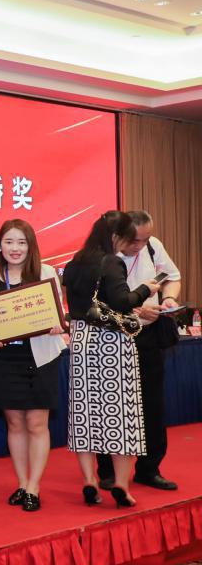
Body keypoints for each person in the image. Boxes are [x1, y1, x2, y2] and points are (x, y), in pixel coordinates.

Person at [63, 211, 158, 508]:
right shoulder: (111, 262)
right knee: (122, 414)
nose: (130, 245)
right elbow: (122, 301)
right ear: (116, 237)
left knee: (84, 414)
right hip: (111, 344)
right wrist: (146, 289)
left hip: (81, 341)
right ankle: (121, 484)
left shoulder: (75, 262)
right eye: (128, 238)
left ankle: (89, 480)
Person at [0, 219, 66, 512]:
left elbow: (58, 313)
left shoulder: (46, 273)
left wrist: (57, 324)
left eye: (21, 242)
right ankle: (21, 483)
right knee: (15, 423)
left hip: (40, 358)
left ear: (31, 246)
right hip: (6, 360)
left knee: (37, 423)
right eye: (9, 242)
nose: (15, 248)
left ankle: (34, 486)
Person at [97, 210, 182, 491]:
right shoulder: (103, 255)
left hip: (148, 337)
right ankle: (108, 471)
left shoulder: (153, 246)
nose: (140, 245)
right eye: (135, 240)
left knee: (151, 405)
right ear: (118, 235)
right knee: (111, 404)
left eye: (145, 239)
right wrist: (135, 308)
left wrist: (169, 298)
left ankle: (149, 469)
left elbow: (173, 277)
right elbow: (95, 301)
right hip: (112, 337)